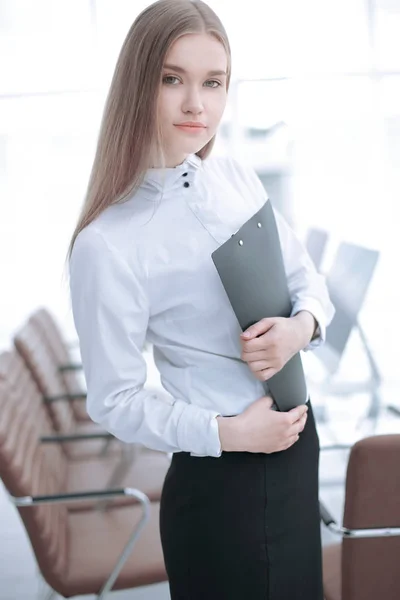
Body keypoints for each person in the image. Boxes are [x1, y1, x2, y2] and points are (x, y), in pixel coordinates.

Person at [68, 1, 335, 598]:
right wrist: (229, 433)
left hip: (297, 452)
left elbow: (309, 284)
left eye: (213, 82)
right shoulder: (108, 243)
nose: (197, 103)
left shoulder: (237, 176)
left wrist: (301, 329)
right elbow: (113, 400)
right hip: (222, 485)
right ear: (140, 85)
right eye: (172, 80)